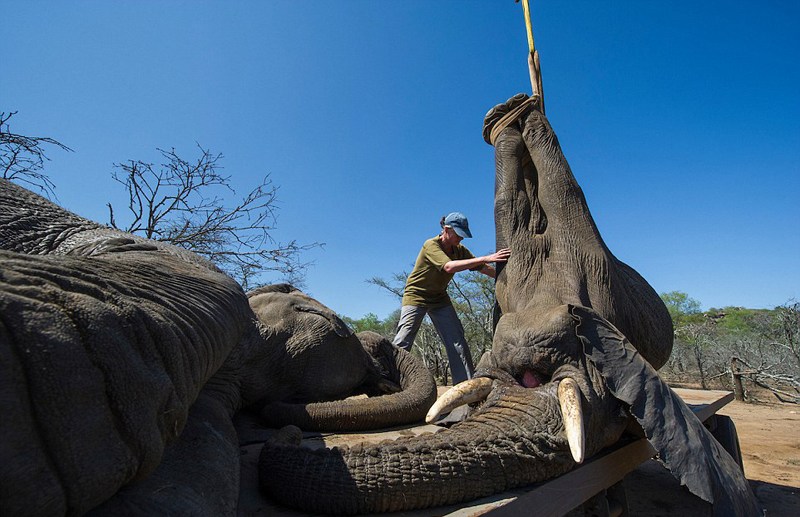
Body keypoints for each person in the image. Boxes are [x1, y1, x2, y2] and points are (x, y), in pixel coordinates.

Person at [392, 212, 511, 384]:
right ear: (447, 230)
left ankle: (466, 386)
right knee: (404, 339)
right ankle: (389, 381)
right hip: (416, 294)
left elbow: (483, 268)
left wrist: (506, 279)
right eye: (458, 234)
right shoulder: (431, 244)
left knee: (457, 341)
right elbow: (448, 267)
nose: (461, 239)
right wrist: (486, 257)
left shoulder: (460, 250)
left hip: (439, 298)